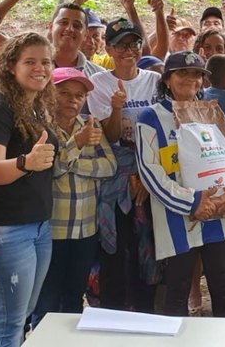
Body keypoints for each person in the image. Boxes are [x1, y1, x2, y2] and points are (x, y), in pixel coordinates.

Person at [135, 51, 225, 317]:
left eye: (197, 75)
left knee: (224, 287)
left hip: (221, 214)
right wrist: (192, 202)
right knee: (177, 291)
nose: (191, 79)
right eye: (182, 73)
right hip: (178, 217)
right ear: (167, 79)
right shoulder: (151, 118)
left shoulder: (212, 112)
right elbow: (150, 172)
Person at [0, 32, 60, 347]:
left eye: (46, 62)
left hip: (37, 225)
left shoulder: (34, 104)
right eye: (30, 62)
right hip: (6, 229)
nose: (40, 68)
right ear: (11, 65)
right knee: (7, 322)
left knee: (19, 315)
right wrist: (26, 162)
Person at [87, 17, 161, 313]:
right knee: (116, 247)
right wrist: (117, 106)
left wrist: (147, 176)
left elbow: (165, 131)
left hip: (151, 176)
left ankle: (145, 313)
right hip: (114, 179)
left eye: (134, 44)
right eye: (120, 46)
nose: (128, 51)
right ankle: (113, 313)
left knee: (148, 250)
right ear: (108, 48)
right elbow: (111, 136)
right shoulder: (98, 84)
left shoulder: (155, 81)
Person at [32, 68, 116, 326]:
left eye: (79, 95)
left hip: (85, 230)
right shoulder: (40, 128)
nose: (73, 100)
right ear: (49, 94)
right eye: (64, 93)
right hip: (52, 231)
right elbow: (49, 171)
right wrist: (77, 145)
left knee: (73, 298)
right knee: (46, 300)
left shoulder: (91, 125)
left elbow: (110, 167)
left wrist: (71, 162)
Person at [49, 3, 105, 78]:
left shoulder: (98, 76)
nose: (69, 29)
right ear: (51, 27)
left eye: (76, 25)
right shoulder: (33, 68)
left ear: (85, 34)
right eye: (64, 22)